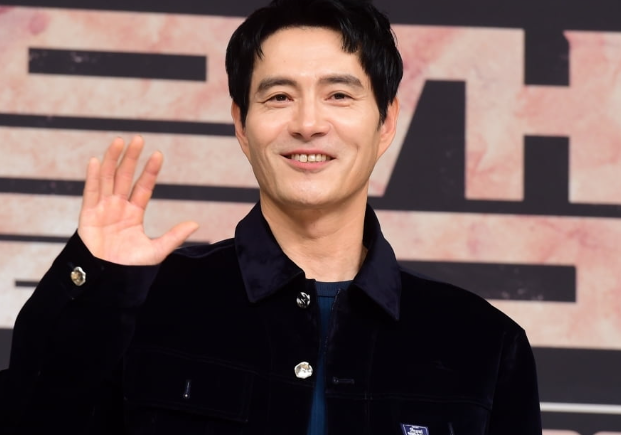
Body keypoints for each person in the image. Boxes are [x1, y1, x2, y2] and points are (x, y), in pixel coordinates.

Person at [0, 0, 542, 433]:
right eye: (279, 97)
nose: (308, 123)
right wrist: (96, 285)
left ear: (386, 121)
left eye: (338, 94)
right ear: (241, 124)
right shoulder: (141, 303)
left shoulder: (483, 343)